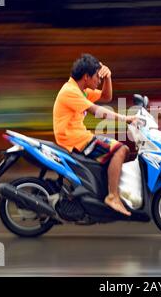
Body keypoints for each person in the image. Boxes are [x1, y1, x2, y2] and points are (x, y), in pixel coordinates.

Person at [53, 54, 136, 216]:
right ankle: (112, 196)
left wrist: (108, 77)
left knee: (118, 151)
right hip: (75, 140)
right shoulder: (70, 92)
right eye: (97, 77)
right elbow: (98, 111)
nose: (99, 80)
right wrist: (126, 119)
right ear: (86, 77)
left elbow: (106, 97)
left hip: (80, 137)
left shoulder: (81, 91)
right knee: (121, 149)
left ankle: (101, 191)